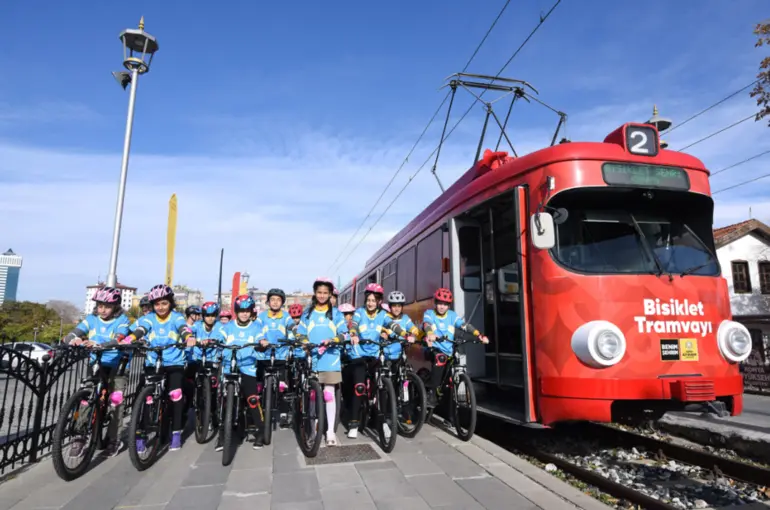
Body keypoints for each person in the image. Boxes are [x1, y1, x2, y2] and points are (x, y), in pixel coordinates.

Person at [61, 286, 131, 458]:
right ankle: (79, 436)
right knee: (86, 398)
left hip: (116, 364)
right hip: (96, 363)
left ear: (115, 306)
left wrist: (106, 343)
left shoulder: (122, 320)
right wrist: (73, 339)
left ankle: (114, 438)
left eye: (107, 306)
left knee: (115, 401)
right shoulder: (91, 319)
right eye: (100, 306)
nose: (103, 310)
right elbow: (74, 332)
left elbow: (121, 336)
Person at [126, 284, 195, 452]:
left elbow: (183, 328)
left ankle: (176, 433)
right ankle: (141, 432)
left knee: (175, 395)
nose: (161, 307)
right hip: (152, 362)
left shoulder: (176, 317)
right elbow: (142, 329)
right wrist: (130, 338)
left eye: (164, 303)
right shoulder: (149, 318)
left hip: (173, 362)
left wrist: (188, 336)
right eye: (157, 304)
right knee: (145, 398)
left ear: (170, 303)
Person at [345, 283, 407, 439]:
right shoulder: (359, 312)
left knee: (382, 389)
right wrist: (353, 334)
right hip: (359, 355)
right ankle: (354, 423)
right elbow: (354, 325)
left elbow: (392, 325)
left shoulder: (383, 315)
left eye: (374, 300)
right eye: (368, 300)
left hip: (375, 355)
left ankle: (384, 422)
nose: (370, 303)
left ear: (379, 301)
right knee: (359, 388)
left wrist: (404, 334)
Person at [296, 277, 348, 446]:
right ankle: (312, 429)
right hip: (312, 358)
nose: (322, 295)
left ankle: (330, 431)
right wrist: (304, 343)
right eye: (319, 292)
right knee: (312, 396)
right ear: (315, 293)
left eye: (326, 292)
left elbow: (344, 334)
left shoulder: (337, 314)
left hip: (331, 358)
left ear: (330, 294)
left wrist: (333, 340)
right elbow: (300, 333)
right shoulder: (307, 313)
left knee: (329, 395)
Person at [215, 294, 268, 450]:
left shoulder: (255, 327)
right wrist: (213, 341)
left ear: (251, 312)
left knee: (252, 399)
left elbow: (260, 337)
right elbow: (219, 337)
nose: (244, 313)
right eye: (241, 310)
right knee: (224, 402)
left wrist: (262, 342)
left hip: (248, 368)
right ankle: (222, 436)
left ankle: (260, 431)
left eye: (247, 311)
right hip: (229, 367)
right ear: (236, 312)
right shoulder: (228, 327)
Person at [422, 288, 489, 407]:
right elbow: (427, 324)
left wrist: (478, 335)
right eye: (440, 303)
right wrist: (430, 333)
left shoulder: (452, 315)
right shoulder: (429, 313)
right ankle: (431, 393)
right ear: (435, 303)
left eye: (445, 304)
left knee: (451, 376)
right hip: (434, 349)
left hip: (449, 350)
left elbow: (464, 326)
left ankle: (451, 416)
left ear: (449, 305)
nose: (442, 307)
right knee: (440, 358)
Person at [188, 301, 224, 440]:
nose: (210, 318)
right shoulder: (197, 326)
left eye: (213, 315)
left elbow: (222, 337)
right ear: (203, 316)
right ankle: (193, 407)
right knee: (192, 383)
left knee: (213, 390)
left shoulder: (220, 327)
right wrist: (190, 338)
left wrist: (213, 341)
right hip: (197, 359)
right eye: (207, 315)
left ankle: (213, 413)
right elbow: (189, 332)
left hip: (213, 360)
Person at [256, 289, 293, 395]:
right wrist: (261, 339)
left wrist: (292, 338)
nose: (275, 302)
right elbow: (256, 329)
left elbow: (290, 327)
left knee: (281, 385)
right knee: (260, 383)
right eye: (272, 299)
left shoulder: (286, 316)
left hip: (280, 354)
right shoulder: (262, 316)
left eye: (278, 300)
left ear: (282, 302)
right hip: (264, 355)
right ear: (268, 302)